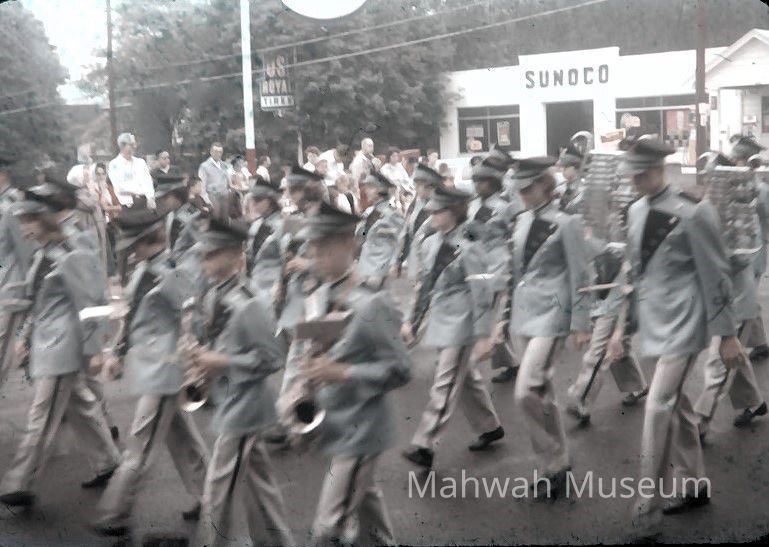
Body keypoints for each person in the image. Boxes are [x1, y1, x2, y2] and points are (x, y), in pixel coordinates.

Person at [619, 139, 743, 539]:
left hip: (686, 322)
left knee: (657, 407)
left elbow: (716, 273)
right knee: (678, 407)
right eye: (632, 175)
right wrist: (623, 326)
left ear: (660, 169)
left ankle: (647, 509)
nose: (636, 182)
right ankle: (694, 485)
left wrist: (727, 335)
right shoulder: (635, 210)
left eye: (642, 175)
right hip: (654, 322)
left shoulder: (694, 210)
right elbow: (635, 272)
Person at [286, 201, 410, 544]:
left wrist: (342, 372)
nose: (315, 255)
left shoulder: (372, 302)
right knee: (368, 510)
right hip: (337, 422)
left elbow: (401, 369)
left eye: (324, 247)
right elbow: (315, 355)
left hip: (362, 428)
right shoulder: (319, 295)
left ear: (347, 244)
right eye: (312, 247)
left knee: (328, 530)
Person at [0, 181, 120, 509]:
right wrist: (26, 336)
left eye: (29, 221)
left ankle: (20, 481)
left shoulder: (69, 253)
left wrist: (95, 349)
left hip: (63, 346)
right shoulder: (43, 254)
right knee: (78, 404)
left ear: (45, 220)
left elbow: (92, 303)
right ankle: (108, 461)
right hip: (48, 343)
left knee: (41, 414)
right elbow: (36, 298)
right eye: (22, 221)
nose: (24, 228)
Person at [92, 208, 209, 537]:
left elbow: (192, 320)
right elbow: (133, 318)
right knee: (183, 439)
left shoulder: (171, 275)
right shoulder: (145, 271)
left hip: (165, 371)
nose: (131, 251)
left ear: (150, 239)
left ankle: (114, 512)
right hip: (153, 370)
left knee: (140, 446)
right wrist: (118, 352)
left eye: (136, 244)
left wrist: (194, 364)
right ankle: (210, 496)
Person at [190, 214, 294, 547]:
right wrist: (203, 366)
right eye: (203, 254)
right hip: (229, 399)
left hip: (246, 406)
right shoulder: (214, 294)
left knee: (217, 489)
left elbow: (273, 359)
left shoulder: (251, 301)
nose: (204, 261)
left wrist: (221, 362)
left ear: (237, 255)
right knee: (260, 485)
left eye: (212, 254)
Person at [498, 156, 591, 498]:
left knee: (525, 391)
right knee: (543, 394)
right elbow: (516, 274)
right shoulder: (521, 221)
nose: (522, 194)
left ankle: (553, 460)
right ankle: (557, 465)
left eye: (528, 188)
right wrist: (503, 319)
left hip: (553, 315)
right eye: (519, 189)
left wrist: (580, 322)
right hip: (524, 315)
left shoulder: (567, 223)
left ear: (545, 185)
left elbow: (580, 274)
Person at [401, 183, 503, 470]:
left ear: (455, 211)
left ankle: (425, 444)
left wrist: (483, 333)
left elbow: (482, 292)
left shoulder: (470, 245)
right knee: (465, 376)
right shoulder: (430, 243)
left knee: (444, 382)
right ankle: (490, 426)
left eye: (439, 210)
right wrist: (411, 320)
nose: (432, 214)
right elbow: (424, 286)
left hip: (462, 322)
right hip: (441, 320)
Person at [693, 151, 766, 440]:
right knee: (733, 357)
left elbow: (742, 256)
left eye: (713, 174)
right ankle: (754, 403)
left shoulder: (740, 209)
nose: (707, 179)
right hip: (720, 298)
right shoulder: (708, 207)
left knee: (719, 360)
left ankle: (700, 421)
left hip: (737, 298)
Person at [468, 149, 522, 384]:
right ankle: (511, 362)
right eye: (475, 181)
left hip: (499, 266)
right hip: (476, 266)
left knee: (496, 316)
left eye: (482, 181)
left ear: (493, 183)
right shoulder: (471, 206)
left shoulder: (504, 207)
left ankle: (474, 360)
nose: (477, 185)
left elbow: (515, 236)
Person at [732, 135, 769, 363]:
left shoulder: (760, 189)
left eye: (736, 159)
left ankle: (736, 348)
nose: (733, 163)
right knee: (747, 296)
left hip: (754, 251)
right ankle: (760, 343)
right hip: (740, 250)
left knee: (744, 299)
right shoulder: (734, 184)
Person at [356, 171, 404, 290]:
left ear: (381, 190)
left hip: (379, 271)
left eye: (370, 187)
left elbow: (399, 240)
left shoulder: (391, 214)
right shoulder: (369, 212)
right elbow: (363, 236)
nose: (366, 191)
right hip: (365, 268)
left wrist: (393, 264)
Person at [396, 163, 441, 281]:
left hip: (432, 261)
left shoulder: (440, 206)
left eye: (419, 185)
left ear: (430, 186)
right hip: (415, 261)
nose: (415, 188)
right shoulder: (416, 203)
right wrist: (398, 259)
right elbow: (406, 232)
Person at [246, 176, 286, 304]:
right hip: (254, 286)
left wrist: (281, 284)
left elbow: (287, 259)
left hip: (273, 289)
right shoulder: (255, 225)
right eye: (253, 200)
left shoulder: (282, 225)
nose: (254, 204)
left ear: (270, 201)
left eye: (258, 200)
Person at [107, 132, 154, 208]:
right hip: (126, 205)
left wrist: (150, 197)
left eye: (134, 144)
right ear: (122, 146)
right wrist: (141, 190)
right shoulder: (114, 164)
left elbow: (148, 182)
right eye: (131, 145)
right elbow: (120, 188)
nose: (134, 147)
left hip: (145, 202)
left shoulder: (141, 162)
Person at [555, 143, 584, 213]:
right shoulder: (560, 186)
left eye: (565, 167)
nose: (561, 170)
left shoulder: (582, 188)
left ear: (574, 167)